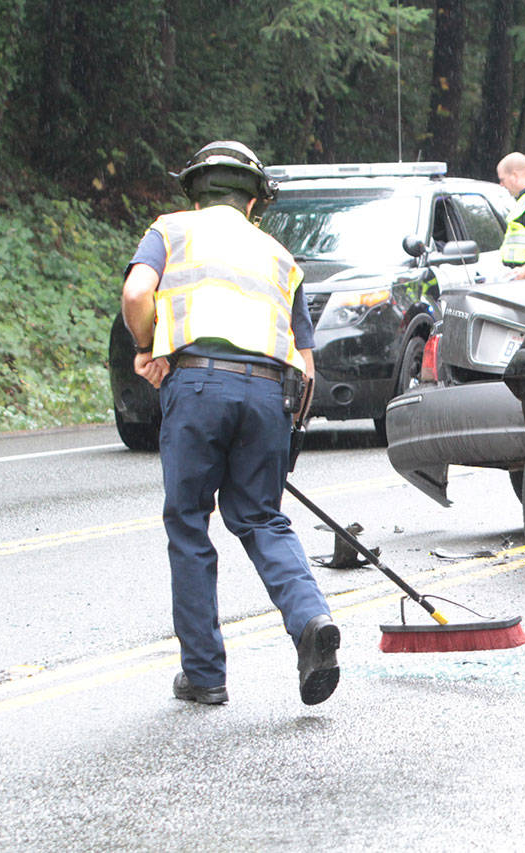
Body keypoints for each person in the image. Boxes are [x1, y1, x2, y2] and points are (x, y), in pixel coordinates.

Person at [121, 140, 341, 707]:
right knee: (263, 518)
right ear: (253, 202)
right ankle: (312, 620)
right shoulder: (279, 256)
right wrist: (282, 430)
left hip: (195, 384)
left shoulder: (169, 231)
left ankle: (204, 674)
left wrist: (147, 347)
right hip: (270, 392)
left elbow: (137, 292)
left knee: (190, 522)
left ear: (195, 191)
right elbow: (306, 367)